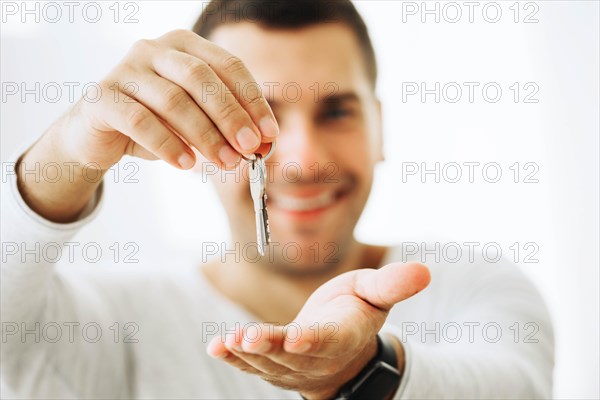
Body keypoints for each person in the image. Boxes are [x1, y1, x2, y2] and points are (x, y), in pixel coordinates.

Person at [1, 0, 554, 398]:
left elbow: (514, 388)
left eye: (337, 112)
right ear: (196, 135)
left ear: (380, 128)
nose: (302, 160)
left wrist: (366, 372)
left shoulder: (470, 283)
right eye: (253, 118)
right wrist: (68, 153)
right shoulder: (119, 324)